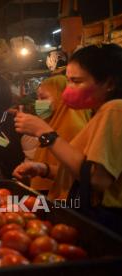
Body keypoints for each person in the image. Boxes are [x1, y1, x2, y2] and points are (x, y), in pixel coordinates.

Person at [13, 44, 122, 233]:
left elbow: (98, 179)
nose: (67, 90)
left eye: (77, 81)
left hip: (107, 221)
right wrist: (46, 169)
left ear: (110, 83)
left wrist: (45, 133)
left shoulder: (115, 109)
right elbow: (84, 168)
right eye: (68, 81)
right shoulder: (99, 113)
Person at [29, 75, 91, 192]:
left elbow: (76, 172)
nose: (38, 103)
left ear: (61, 99)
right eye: (37, 98)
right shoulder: (52, 122)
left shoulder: (72, 126)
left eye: (43, 98)